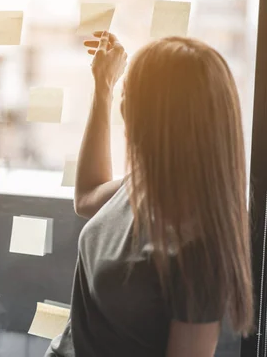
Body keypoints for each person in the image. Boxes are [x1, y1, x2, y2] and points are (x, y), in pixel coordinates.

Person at [45, 31, 254, 357]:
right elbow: (86, 196)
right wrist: (103, 88)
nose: (124, 103)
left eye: (131, 92)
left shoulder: (196, 249)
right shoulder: (144, 184)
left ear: (164, 117)